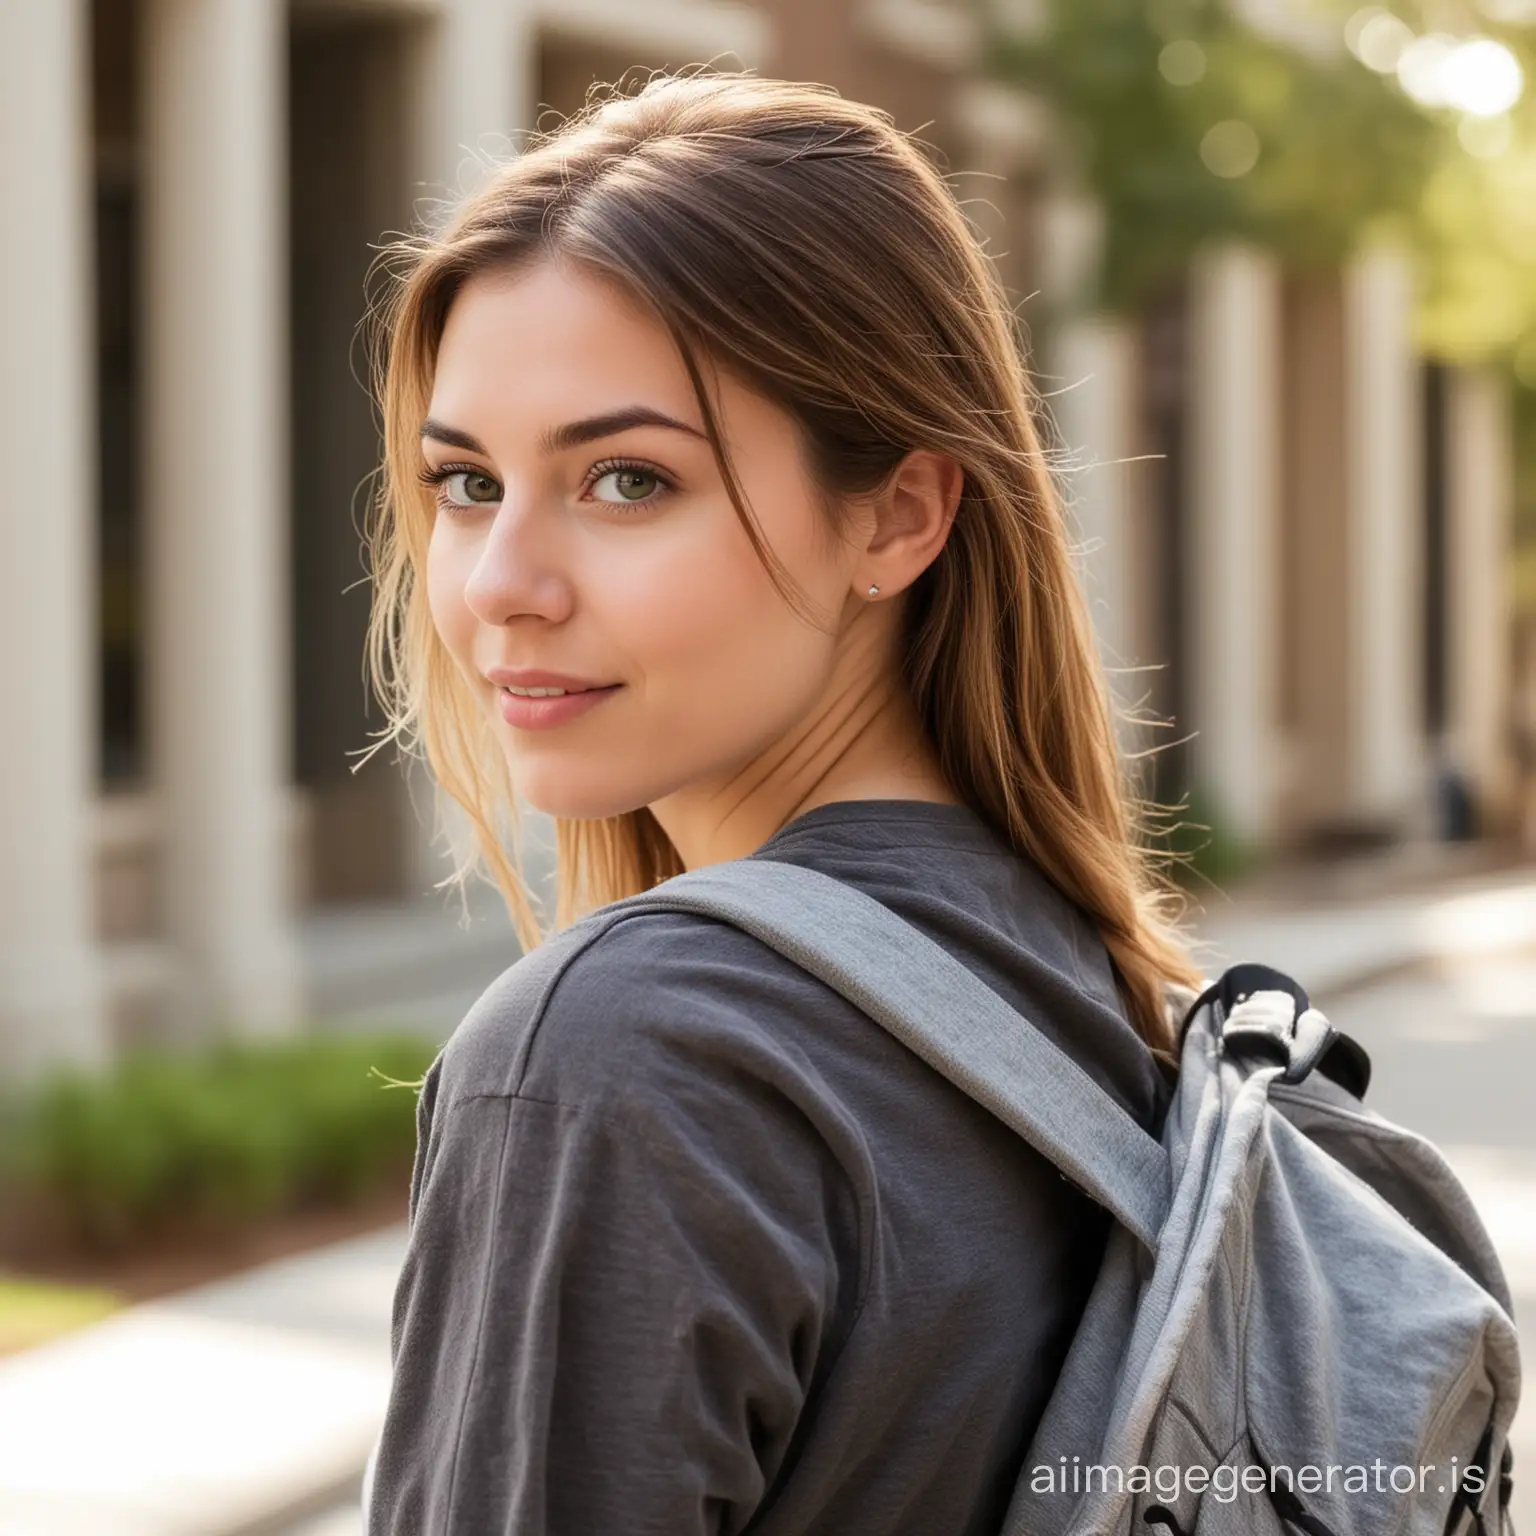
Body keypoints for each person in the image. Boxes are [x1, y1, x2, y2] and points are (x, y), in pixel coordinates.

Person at [361, 71, 1205, 1535]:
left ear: (898, 515)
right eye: (466, 483)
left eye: (627, 481)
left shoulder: (637, 1056)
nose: (500, 585)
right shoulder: (1087, 989)